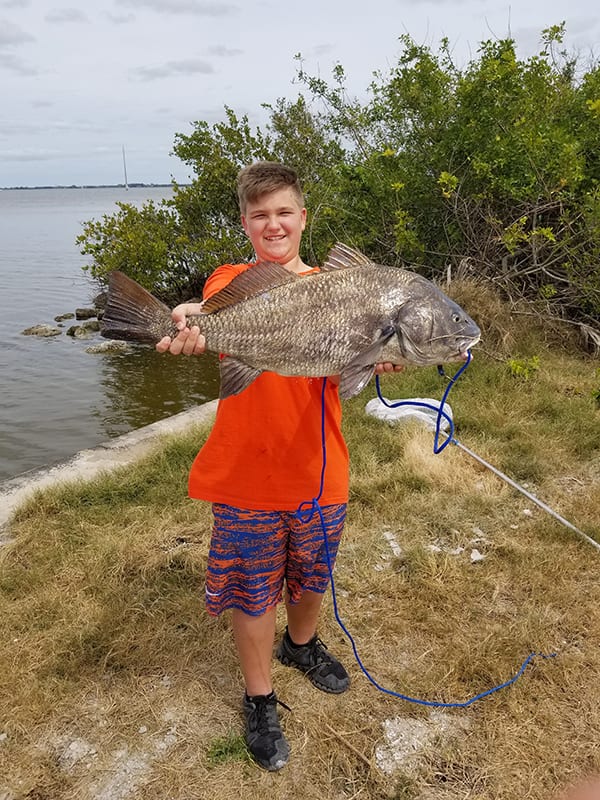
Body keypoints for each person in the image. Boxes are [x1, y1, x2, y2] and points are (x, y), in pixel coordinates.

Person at [156, 161, 403, 771]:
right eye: (260, 215)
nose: (274, 224)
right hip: (246, 473)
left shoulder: (344, 290)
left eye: (284, 212)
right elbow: (210, 304)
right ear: (245, 223)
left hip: (320, 471)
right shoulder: (236, 280)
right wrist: (186, 320)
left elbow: (356, 363)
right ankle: (259, 695)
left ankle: (302, 645)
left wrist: (379, 359)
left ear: (303, 218)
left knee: (312, 576)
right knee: (252, 588)